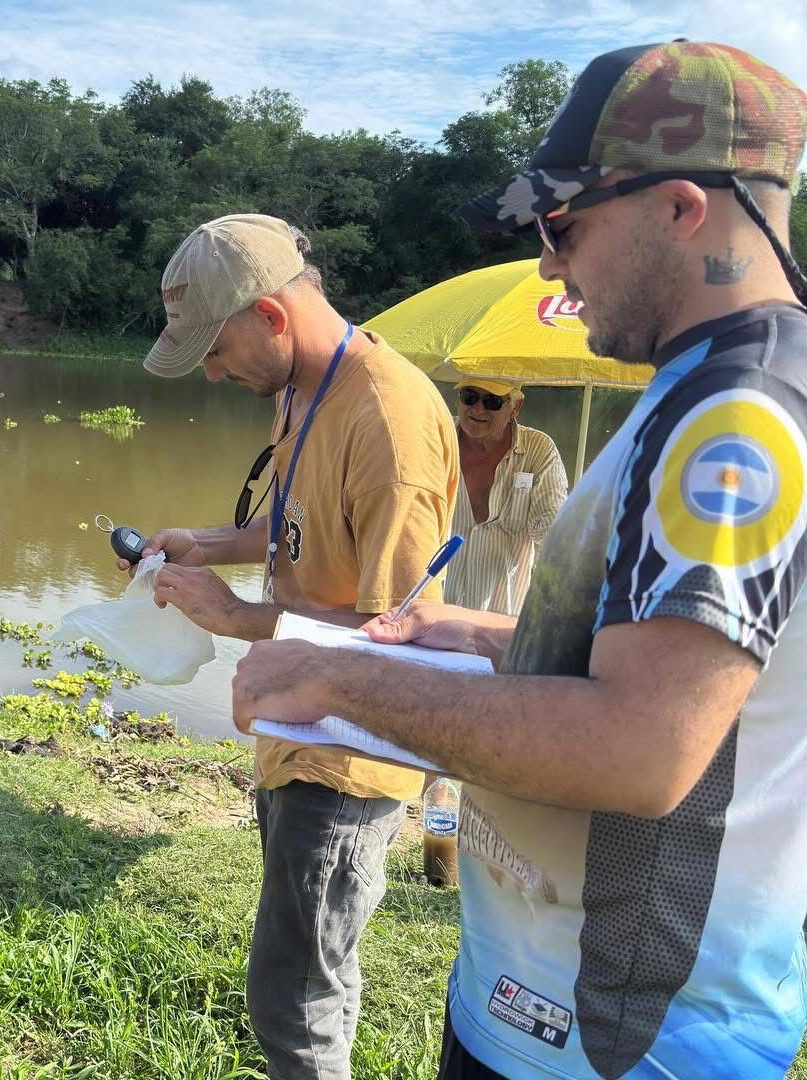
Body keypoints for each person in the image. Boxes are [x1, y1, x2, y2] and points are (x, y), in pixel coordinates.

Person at [229, 42, 807, 1079]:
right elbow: (684, 681)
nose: (548, 264)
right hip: (537, 1001)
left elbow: (642, 747)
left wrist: (340, 679)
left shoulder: (740, 423)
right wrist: (486, 634)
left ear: (682, 208)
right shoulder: (697, 392)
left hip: (619, 1043)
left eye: (563, 225)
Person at [126, 214, 458, 1078]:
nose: (211, 371)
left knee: (292, 1001)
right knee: (311, 975)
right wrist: (208, 543)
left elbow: (404, 637)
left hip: (348, 754)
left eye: (216, 349)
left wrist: (238, 617)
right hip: (293, 726)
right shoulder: (300, 387)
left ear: (272, 317)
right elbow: (297, 519)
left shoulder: (388, 423)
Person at [443, 378, 567, 615]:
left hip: (501, 618)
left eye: (492, 401)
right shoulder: (436, 436)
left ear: (515, 407)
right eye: (470, 396)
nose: (478, 408)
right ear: (458, 399)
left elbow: (552, 531)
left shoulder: (539, 450)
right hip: (433, 612)